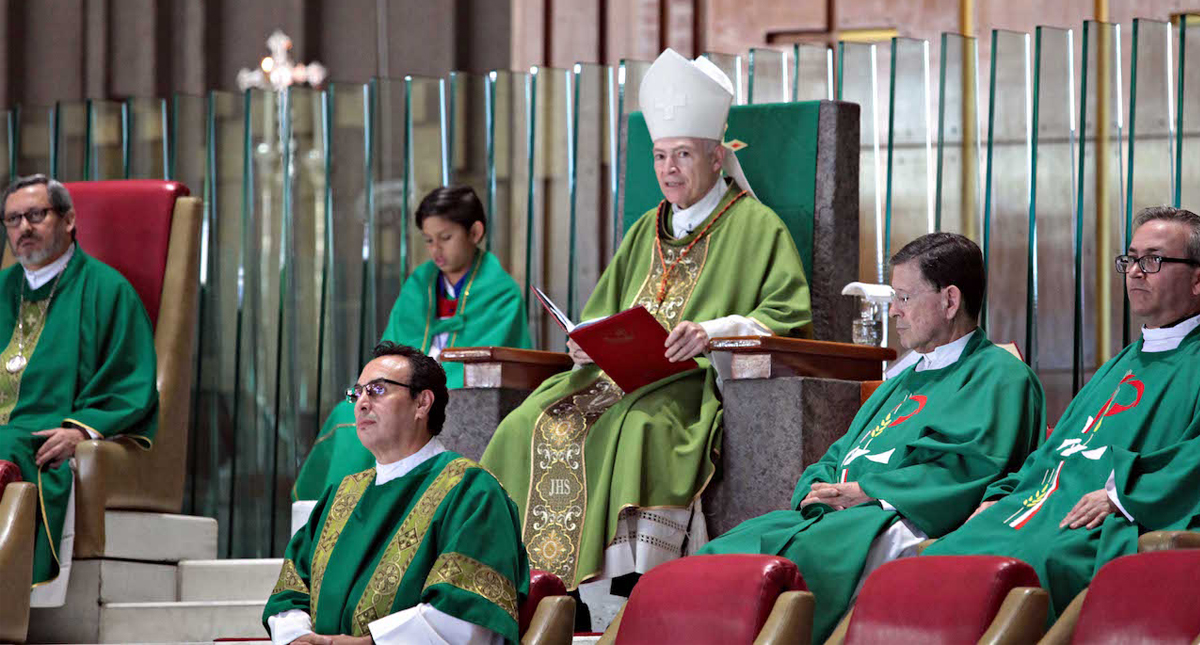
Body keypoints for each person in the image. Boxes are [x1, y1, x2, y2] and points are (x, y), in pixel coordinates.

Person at [479, 47, 813, 591]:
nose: (668, 170)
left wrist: (710, 332)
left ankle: (612, 592)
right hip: (612, 378)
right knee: (524, 423)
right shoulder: (645, 229)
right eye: (660, 157)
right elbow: (600, 314)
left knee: (637, 428)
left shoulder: (757, 226)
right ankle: (519, 582)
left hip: (685, 384)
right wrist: (585, 344)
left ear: (715, 157)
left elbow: (787, 317)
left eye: (682, 155)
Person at [697, 232, 1044, 641]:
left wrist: (867, 491)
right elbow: (844, 450)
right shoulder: (903, 379)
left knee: (775, 574)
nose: (894, 310)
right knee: (722, 554)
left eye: (904, 297)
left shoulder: (1000, 376)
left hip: (901, 522)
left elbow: (968, 470)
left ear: (950, 301)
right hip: (840, 517)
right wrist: (816, 487)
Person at [925, 206, 1200, 622]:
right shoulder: (1120, 365)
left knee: (1029, 564)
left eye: (1154, 260)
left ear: (1198, 277)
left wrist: (1121, 495)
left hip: (1097, 523)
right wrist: (1001, 495)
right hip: (1042, 507)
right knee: (936, 555)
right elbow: (1062, 448)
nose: (1136, 272)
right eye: (1130, 259)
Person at [264, 342, 529, 645]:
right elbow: (291, 589)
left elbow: (470, 614)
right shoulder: (340, 496)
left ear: (422, 403)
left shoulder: (471, 491)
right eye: (357, 392)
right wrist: (298, 637)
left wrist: (369, 643)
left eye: (377, 390)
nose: (361, 403)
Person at [291, 186, 530, 506]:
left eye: (445, 238)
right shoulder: (420, 283)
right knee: (345, 416)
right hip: (408, 388)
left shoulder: (500, 291)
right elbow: (392, 353)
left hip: (461, 395)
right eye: (429, 240)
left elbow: (488, 364)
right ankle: (337, 513)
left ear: (474, 232)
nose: (436, 251)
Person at [0, 174, 158, 601]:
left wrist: (82, 429)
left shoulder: (108, 291)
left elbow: (131, 382)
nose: (24, 228)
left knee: (9, 445)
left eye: (36, 214)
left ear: (68, 220)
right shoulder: (0, 291)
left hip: (36, 438)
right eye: (13, 219)